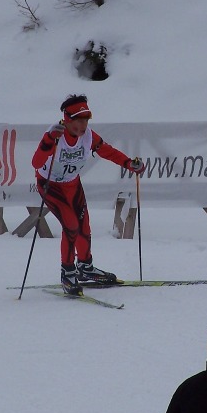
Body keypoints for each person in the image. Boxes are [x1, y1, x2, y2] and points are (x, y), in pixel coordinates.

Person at [31, 94, 144, 295]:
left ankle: (85, 267)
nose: (83, 125)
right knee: (71, 226)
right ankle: (67, 273)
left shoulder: (88, 136)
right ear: (67, 119)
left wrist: (128, 163)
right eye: (79, 120)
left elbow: (107, 151)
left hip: (72, 184)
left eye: (86, 120)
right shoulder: (55, 135)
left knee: (83, 227)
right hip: (50, 185)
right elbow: (36, 163)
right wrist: (48, 140)